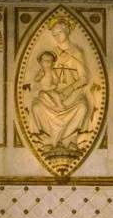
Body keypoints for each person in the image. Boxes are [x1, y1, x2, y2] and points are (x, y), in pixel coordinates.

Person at [30, 19, 92, 151]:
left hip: (72, 94)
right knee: (36, 107)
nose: (57, 36)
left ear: (67, 31)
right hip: (53, 94)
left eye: (60, 32)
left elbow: (84, 78)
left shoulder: (76, 53)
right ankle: (48, 140)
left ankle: (70, 139)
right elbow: (42, 76)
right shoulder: (50, 54)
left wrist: (70, 89)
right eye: (54, 34)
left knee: (82, 107)